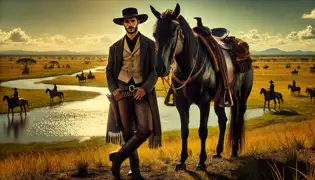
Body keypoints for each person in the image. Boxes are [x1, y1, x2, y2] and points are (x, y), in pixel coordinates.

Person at [105, 7, 161, 179]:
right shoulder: (114, 47)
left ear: (138, 22)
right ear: (123, 24)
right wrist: (113, 90)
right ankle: (135, 171)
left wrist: (145, 88)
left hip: (141, 92)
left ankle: (119, 157)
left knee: (146, 129)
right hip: (121, 92)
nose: (130, 24)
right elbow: (109, 71)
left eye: (133, 21)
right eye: (127, 21)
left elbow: (155, 70)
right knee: (128, 132)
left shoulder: (150, 45)